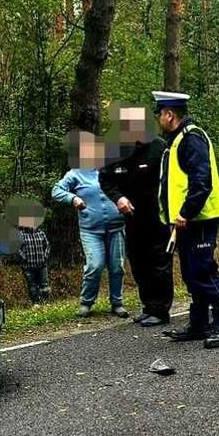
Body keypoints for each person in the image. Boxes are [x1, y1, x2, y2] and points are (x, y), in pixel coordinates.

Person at [153, 91, 219, 349]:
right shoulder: (177, 140)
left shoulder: (192, 138)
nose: (158, 119)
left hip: (198, 219)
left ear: (169, 114)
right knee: (191, 274)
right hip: (184, 222)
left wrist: (186, 212)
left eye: (159, 114)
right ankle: (199, 323)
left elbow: (202, 182)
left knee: (204, 271)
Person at [99, 105, 173, 327]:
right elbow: (105, 179)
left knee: (159, 262)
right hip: (131, 216)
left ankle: (160, 310)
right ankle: (148, 306)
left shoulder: (159, 147)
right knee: (139, 262)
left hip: (157, 216)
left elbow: (173, 179)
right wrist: (118, 198)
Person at [52, 130, 129, 318]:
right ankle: (86, 302)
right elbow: (56, 190)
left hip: (116, 226)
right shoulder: (75, 174)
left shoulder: (111, 168)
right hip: (91, 229)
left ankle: (117, 303)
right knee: (95, 265)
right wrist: (73, 199)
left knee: (117, 266)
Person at [16, 217, 51, 305]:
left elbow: (47, 245)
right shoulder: (21, 235)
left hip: (41, 264)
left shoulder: (41, 233)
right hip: (28, 266)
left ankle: (46, 302)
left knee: (45, 285)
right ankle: (36, 303)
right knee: (32, 286)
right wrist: (24, 258)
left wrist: (45, 256)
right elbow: (18, 249)